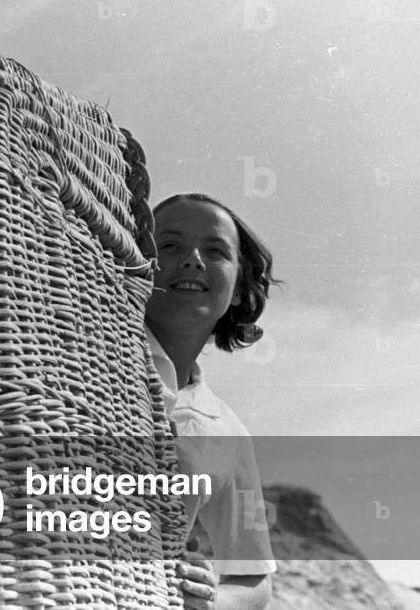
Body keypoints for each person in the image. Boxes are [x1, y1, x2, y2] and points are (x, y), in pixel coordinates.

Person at [144, 193, 278, 610]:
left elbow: (254, 577)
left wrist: (210, 600)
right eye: (169, 245)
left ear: (239, 288)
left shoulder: (227, 430)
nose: (193, 260)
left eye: (216, 251)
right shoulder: (72, 352)